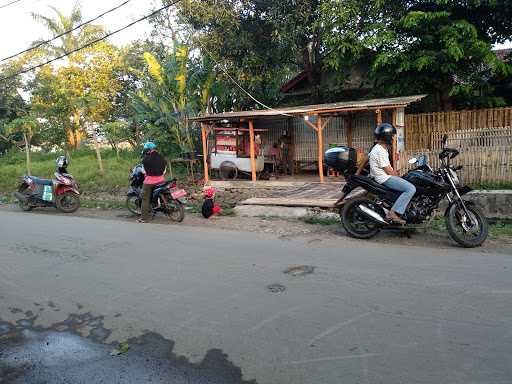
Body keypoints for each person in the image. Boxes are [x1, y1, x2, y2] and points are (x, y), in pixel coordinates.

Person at [369, 123, 415, 225]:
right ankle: (392, 213)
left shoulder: (379, 148)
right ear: (388, 137)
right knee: (411, 189)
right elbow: (388, 171)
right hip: (384, 178)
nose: (394, 138)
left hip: (383, 176)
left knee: (407, 181)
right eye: (393, 136)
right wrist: (398, 176)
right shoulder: (379, 150)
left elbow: (365, 158)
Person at [138, 142, 166, 223]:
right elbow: (164, 170)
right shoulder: (161, 157)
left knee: (145, 198)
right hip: (161, 180)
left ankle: (144, 218)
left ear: (147, 150)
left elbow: (143, 171)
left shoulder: (145, 159)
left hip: (149, 182)